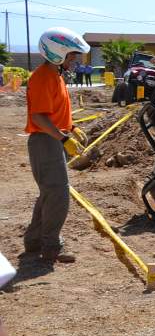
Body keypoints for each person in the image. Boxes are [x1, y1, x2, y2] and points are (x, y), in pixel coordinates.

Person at [23, 27, 90, 264]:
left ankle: (33, 241)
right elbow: (40, 117)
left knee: (49, 193)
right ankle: (51, 247)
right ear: (56, 53)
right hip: (45, 141)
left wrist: (71, 128)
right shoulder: (42, 77)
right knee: (58, 194)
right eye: (72, 56)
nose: (75, 60)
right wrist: (63, 138)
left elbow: (55, 112)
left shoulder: (55, 76)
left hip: (53, 138)